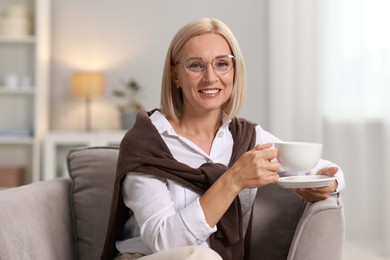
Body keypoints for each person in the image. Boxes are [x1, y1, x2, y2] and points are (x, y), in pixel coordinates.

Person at [101, 17, 345, 260]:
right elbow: (165, 242)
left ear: (234, 71)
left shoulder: (245, 138)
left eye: (221, 64)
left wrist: (328, 183)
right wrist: (233, 181)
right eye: (195, 65)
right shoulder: (147, 143)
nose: (210, 77)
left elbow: (322, 168)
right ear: (176, 75)